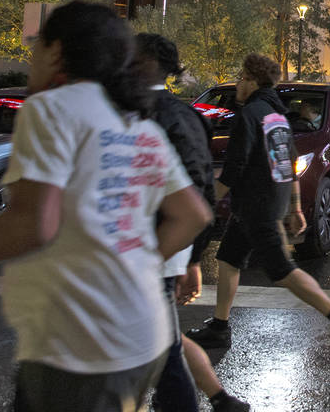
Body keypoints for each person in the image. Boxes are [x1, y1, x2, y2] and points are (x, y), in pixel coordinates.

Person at [0, 0, 211, 412]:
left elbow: (34, 222)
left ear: (56, 52)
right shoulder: (138, 125)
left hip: (79, 344)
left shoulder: (52, 109)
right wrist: (137, 266)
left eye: (36, 46)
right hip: (144, 336)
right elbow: (193, 215)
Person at [186, 54, 330, 373]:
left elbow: (235, 168)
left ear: (253, 81)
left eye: (241, 77)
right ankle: (220, 327)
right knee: (228, 258)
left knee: (281, 268)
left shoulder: (249, 114)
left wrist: (207, 200)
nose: (238, 83)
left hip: (257, 205)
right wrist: (293, 206)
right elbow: (287, 161)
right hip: (267, 200)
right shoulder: (277, 115)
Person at [135, 33, 250, 412]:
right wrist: (192, 256)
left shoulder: (129, 113)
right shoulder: (188, 116)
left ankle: (214, 400)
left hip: (138, 254)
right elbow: (203, 193)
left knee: (157, 350)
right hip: (168, 250)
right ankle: (220, 399)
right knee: (163, 341)